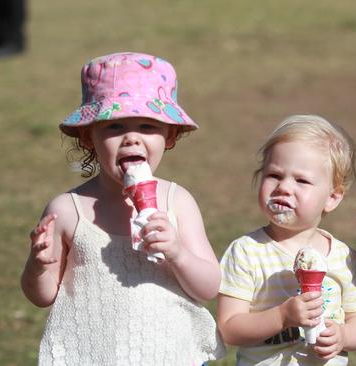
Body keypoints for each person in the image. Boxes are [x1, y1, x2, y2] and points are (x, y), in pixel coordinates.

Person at [20, 52, 225, 365]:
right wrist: (38, 266)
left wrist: (178, 253)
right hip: (90, 354)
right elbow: (42, 296)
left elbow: (209, 286)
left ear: (169, 135)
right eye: (114, 126)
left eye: (147, 125)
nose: (131, 138)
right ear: (89, 136)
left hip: (169, 353)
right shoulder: (67, 210)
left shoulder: (177, 201)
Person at [217, 115, 356, 365]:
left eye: (301, 180)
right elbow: (229, 327)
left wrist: (343, 336)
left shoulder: (343, 257)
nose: (284, 187)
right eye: (274, 175)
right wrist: (281, 316)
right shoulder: (247, 251)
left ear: (332, 197)